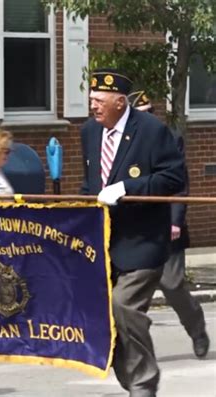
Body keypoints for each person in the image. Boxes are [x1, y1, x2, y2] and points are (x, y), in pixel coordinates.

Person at [80, 69, 186, 397]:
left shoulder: (152, 131)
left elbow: (174, 178)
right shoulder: (90, 132)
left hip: (143, 241)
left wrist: (127, 188)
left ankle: (143, 384)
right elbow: (90, 184)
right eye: (91, 100)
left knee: (124, 305)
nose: (93, 106)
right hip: (105, 241)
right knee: (107, 317)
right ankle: (131, 380)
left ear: (120, 102)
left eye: (99, 101)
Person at [128, 90, 210, 359]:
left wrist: (176, 220)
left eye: (150, 112)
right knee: (128, 295)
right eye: (142, 113)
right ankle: (135, 350)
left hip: (165, 225)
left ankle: (197, 329)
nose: (147, 117)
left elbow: (178, 183)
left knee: (173, 285)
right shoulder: (121, 142)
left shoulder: (167, 138)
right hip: (135, 229)